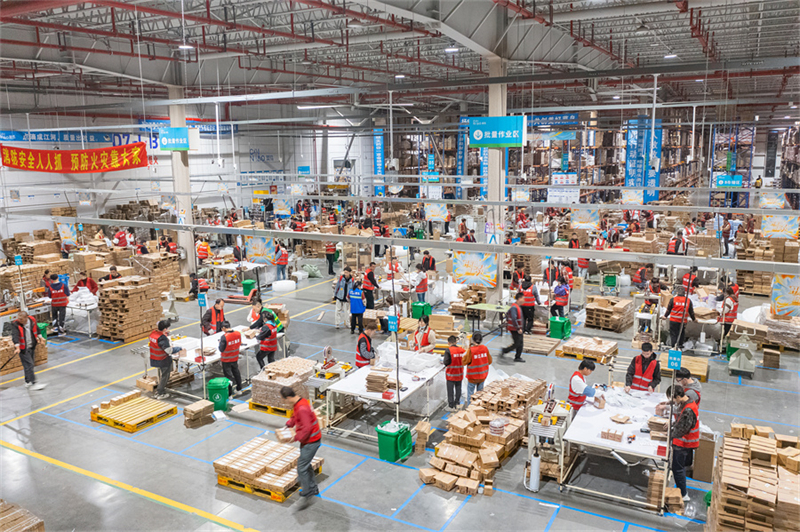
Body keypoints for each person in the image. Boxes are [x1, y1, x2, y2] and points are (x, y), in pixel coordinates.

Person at [281, 385, 321, 509]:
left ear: (288, 397)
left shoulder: (302, 408)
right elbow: (295, 416)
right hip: (309, 441)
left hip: (312, 441)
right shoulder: (300, 402)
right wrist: (289, 425)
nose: (285, 402)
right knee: (306, 464)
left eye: (284, 400)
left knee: (301, 467)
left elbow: (307, 428)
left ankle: (308, 491)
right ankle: (313, 488)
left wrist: (296, 437)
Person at [667, 385, 700, 501]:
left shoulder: (688, 410)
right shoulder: (688, 401)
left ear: (678, 396)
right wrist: (673, 424)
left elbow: (682, 430)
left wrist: (669, 434)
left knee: (677, 468)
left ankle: (683, 494)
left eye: (674, 399)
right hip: (686, 443)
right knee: (681, 467)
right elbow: (681, 422)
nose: (674, 402)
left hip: (683, 444)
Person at [10, 311, 46, 390]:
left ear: (27, 318)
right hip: (23, 348)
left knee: (28, 365)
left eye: (22, 319)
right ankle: (34, 383)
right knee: (29, 365)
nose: (20, 320)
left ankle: (28, 381)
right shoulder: (15, 324)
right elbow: (15, 335)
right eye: (19, 318)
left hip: (31, 345)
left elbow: (36, 329)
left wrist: (40, 337)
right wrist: (17, 347)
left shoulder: (32, 320)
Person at [149, 320, 182, 399]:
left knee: (162, 374)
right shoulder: (162, 339)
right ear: (165, 329)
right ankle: (160, 392)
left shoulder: (153, 334)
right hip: (163, 360)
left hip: (154, 358)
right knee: (165, 376)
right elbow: (169, 351)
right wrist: (178, 348)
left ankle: (160, 390)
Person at [462, 332, 491, 406]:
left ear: (473, 340)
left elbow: (464, 361)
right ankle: (478, 408)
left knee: (470, 395)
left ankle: (470, 409)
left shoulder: (471, 350)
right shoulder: (485, 348)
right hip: (482, 376)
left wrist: (467, 349)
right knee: (480, 395)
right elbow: (489, 361)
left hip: (473, 377)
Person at [218, 321, 243, 395]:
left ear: (224, 328)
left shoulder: (224, 337)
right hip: (235, 358)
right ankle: (239, 389)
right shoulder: (238, 333)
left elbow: (221, 349)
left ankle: (229, 394)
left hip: (226, 359)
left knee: (228, 377)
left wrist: (220, 343)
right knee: (236, 373)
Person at [501, 292, 526, 362]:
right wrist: (518, 328)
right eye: (523, 298)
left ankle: (517, 356)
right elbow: (514, 319)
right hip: (515, 329)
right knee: (517, 343)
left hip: (517, 328)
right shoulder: (514, 307)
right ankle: (505, 350)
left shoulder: (517, 306)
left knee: (520, 343)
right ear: (519, 299)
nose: (524, 300)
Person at [443, 335, 465, 411]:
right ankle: (457, 402)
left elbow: (446, 362)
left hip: (451, 375)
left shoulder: (448, 350)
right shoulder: (462, 350)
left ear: (448, 343)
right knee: (458, 389)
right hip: (459, 374)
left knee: (450, 390)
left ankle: (451, 405)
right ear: (456, 342)